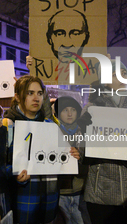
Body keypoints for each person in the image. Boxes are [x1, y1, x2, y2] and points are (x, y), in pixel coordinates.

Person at [0, 75, 79, 224]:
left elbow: (62, 156)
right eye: (30, 93)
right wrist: (14, 173)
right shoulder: (7, 125)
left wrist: (72, 154)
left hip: (50, 201)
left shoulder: (50, 125)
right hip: (23, 200)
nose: (36, 98)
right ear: (17, 96)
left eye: (40, 93)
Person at [80, 59, 127, 224]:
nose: (123, 78)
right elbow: (81, 145)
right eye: (117, 74)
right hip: (101, 195)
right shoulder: (92, 109)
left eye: (125, 74)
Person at [54, 96, 90, 224]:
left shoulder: (85, 132)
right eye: (65, 110)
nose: (69, 114)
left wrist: (80, 156)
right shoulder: (52, 131)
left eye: (73, 109)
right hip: (61, 192)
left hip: (81, 192)